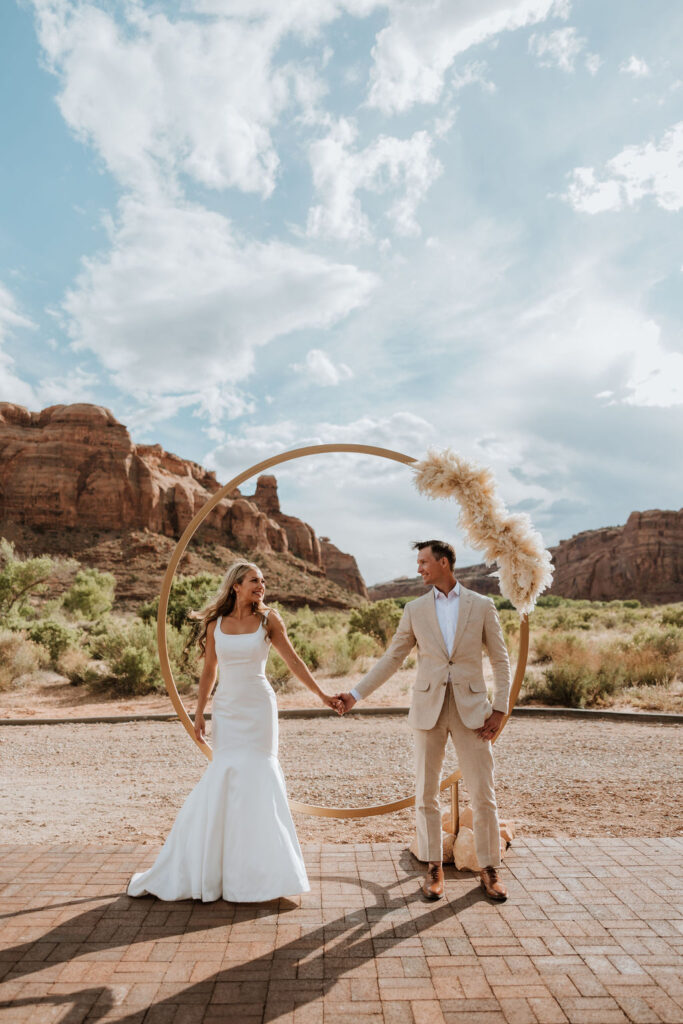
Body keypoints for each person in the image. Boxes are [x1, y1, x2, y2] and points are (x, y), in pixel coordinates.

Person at [128, 561, 343, 903]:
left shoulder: (268, 620)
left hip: (259, 706)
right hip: (227, 708)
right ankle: (216, 870)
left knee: (259, 776)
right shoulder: (216, 624)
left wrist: (322, 695)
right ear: (236, 586)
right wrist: (200, 713)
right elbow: (209, 670)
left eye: (263, 580)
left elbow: (294, 661)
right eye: (254, 580)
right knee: (225, 776)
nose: (262, 585)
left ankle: (264, 873)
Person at [336, 540, 511, 902]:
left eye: (423, 562)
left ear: (444, 563)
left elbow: (500, 660)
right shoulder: (414, 609)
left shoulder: (482, 605)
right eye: (418, 563)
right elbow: (392, 658)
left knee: (483, 792)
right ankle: (433, 867)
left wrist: (500, 708)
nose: (419, 569)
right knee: (426, 792)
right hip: (427, 709)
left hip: (474, 711)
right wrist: (355, 694)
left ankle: (489, 868)